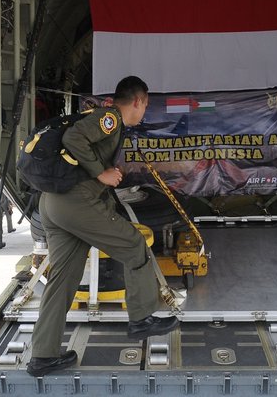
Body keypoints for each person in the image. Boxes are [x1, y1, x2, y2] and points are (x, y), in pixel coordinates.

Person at [27, 76, 179, 377]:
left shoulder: (100, 117)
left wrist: (102, 176)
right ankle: (141, 318)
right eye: (145, 105)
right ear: (137, 100)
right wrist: (102, 173)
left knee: (62, 280)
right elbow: (74, 140)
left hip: (53, 204)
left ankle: (42, 357)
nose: (144, 111)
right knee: (135, 245)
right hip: (74, 204)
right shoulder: (109, 117)